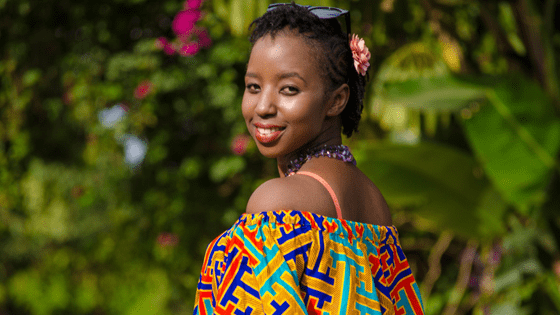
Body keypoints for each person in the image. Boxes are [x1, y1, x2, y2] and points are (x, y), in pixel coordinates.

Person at [194, 3, 424, 314]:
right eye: (253, 87)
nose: (263, 106)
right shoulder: (375, 205)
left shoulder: (276, 204)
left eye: (289, 89)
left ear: (337, 100)